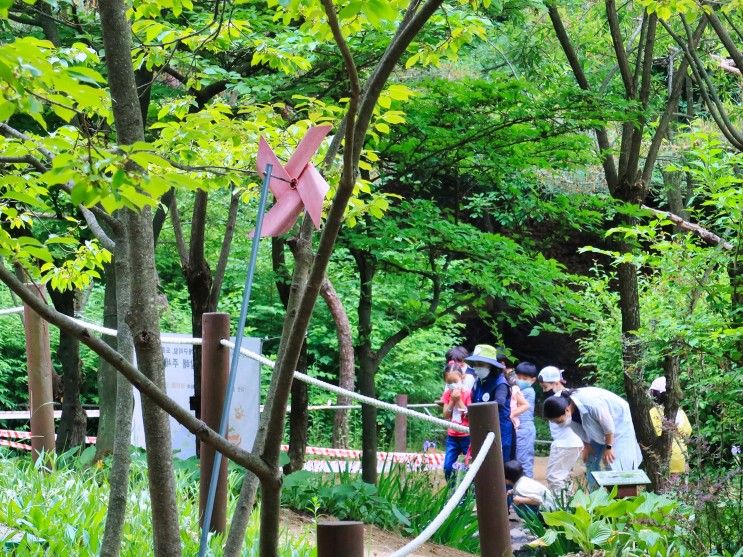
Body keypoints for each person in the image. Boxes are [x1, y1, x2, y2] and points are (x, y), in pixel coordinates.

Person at [543, 387, 643, 490]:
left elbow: (609, 427)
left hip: (617, 422)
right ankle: (595, 494)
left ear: (567, 410)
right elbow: (579, 428)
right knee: (590, 460)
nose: (558, 424)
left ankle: (619, 497)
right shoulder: (566, 409)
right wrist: (586, 445)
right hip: (598, 430)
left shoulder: (590, 404)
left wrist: (609, 447)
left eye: (558, 421)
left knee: (613, 463)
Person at [538, 366, 583, 494]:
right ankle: (568, 506)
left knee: (554, 477)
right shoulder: (566, 395)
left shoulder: (563, 399)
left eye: (545, 387)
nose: (544, 390)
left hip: (565, 444)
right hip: (569, 443)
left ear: (557, 383)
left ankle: (562, 508)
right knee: (563, 477)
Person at [466, 344, 513, 459]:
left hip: (499, 430)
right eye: (475, 365)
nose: (477, 368)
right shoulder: (478, 382)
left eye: (481, 364)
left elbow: (499, 403)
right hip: (481, 428)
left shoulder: (500, 383)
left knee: (500, 465)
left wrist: (476, 412)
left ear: (491, 366)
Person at [648, 376, 692, 476]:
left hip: (664, 457)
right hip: (681, 455)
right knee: (680, 489)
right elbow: (688, 431)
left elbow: (655, 434)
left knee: (666, 488)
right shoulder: (680, 411)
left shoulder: (654, 412)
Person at [439, 363, 472, 483]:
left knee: (469, 466)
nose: (452, 384)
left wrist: (459, 401)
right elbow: (446, 415)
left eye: (455, 381)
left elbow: (470, 414)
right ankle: (451, 490)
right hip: (452, 436)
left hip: (467, 436)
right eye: (449, 382)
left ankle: (468, 493)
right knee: (448, 467)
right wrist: (452, 401)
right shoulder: (447, 394)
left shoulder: (468, 393)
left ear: (462, 378)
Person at [514, 362, 538, 478]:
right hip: (518, 428)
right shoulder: (518, 390)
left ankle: (527, 490)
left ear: (533, 380)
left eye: (525, 378)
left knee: (524, 462)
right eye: (518, 377)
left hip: (525, 429)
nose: (520, 380)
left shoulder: (528, 391)